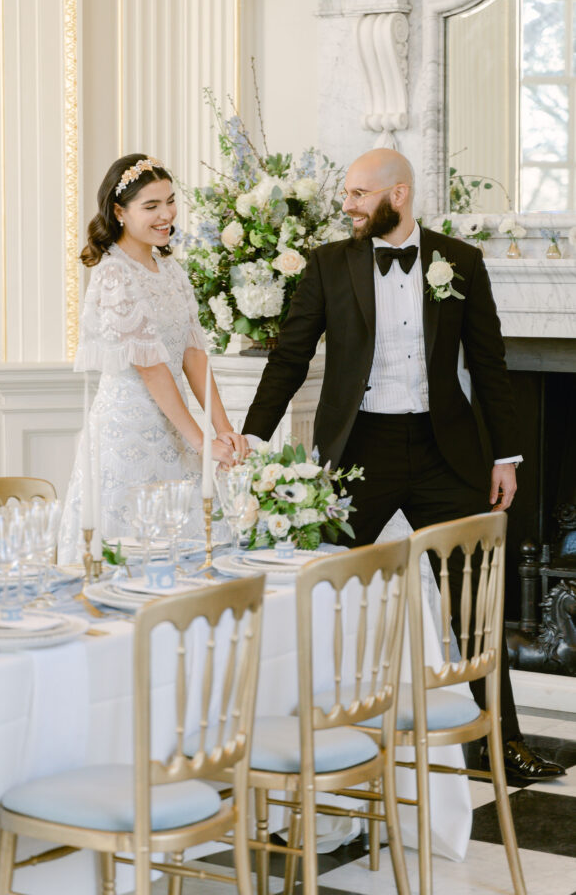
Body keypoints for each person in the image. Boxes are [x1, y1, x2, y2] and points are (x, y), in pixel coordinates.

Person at [243, 147, 564, 781]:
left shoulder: (460, 262)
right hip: (358, 451)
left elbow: (490, 365)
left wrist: (506, 455)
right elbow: (290, 359)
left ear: (400, 194)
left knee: (476, 598)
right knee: (318, 589)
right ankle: (309, 741)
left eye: (360, 193)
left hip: (445, 451)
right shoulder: (327, 265)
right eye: (348, 193)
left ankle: (500, 742)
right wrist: (252, 439)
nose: (348, 204)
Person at [58, 154, 246, 563]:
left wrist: (224, 429)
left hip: (174, 423)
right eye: (151, 206)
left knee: (187, 544)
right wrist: (200, 440)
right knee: (132, 548)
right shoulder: (113, 274)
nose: (167, 214)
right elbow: (150, 366)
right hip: (129, 430)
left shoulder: (170, 269)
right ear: (119, 212)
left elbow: (193, 354)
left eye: (170, 201)